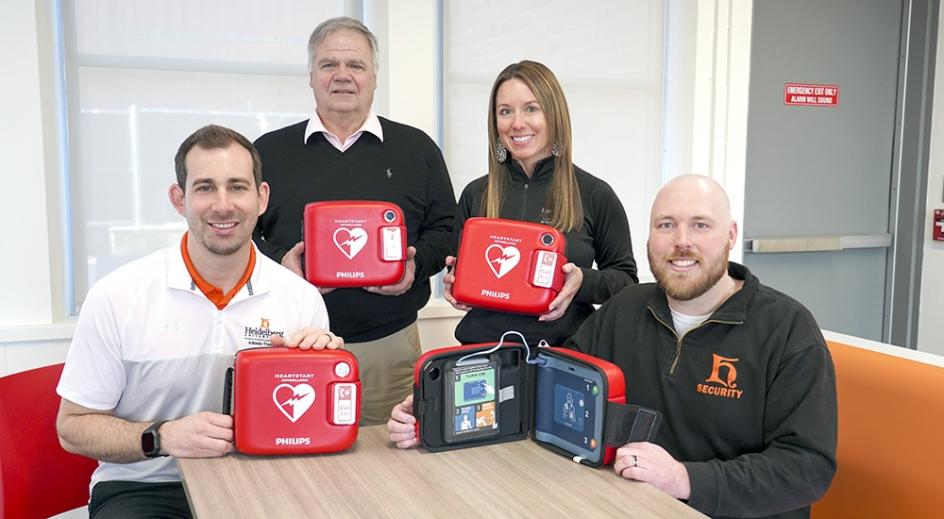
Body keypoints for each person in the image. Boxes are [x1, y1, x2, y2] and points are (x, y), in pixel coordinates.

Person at [389, 175, 837, 519]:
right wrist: (435, 408)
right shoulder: (627, 308)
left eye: (700, 225)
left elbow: (807, 467)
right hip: (623, 504)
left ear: (730, 234)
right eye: (667, 225)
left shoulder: (786, 329)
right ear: (649, 237)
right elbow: (546, 382)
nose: (682, 240)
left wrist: (684, 479)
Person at [56, 125, 342, 518]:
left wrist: (323, 372)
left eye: (237, 187)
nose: (223, 205)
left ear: (261, 199)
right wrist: (162, 436)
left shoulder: (300, 297)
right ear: (179, 199)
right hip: (146, 485)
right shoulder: (117, 295)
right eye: (205, 188)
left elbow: (311, 426)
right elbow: (72, 427)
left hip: (263, 481)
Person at [253, 17, 456, 425]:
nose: (342, 76)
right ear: (311, 75)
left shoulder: (416, 149)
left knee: (393, 468)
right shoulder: (268, 151)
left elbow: (448, 229)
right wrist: (281, 261)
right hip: (291, 346)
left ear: (374, 76)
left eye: (356, 65)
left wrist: (415, 270)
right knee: (298, 471)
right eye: (329, 65)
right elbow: (243, 234)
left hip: (390, 347)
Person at [444, 60, 637, 346]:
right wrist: (454, 284)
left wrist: (583, 280)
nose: (517, 123)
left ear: (554, 115)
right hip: (482, 358)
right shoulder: (475, 194)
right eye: (505, 111)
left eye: (531, 108)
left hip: (563, 359)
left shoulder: (595, 194)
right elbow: (457, 269)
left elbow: (626, 283)